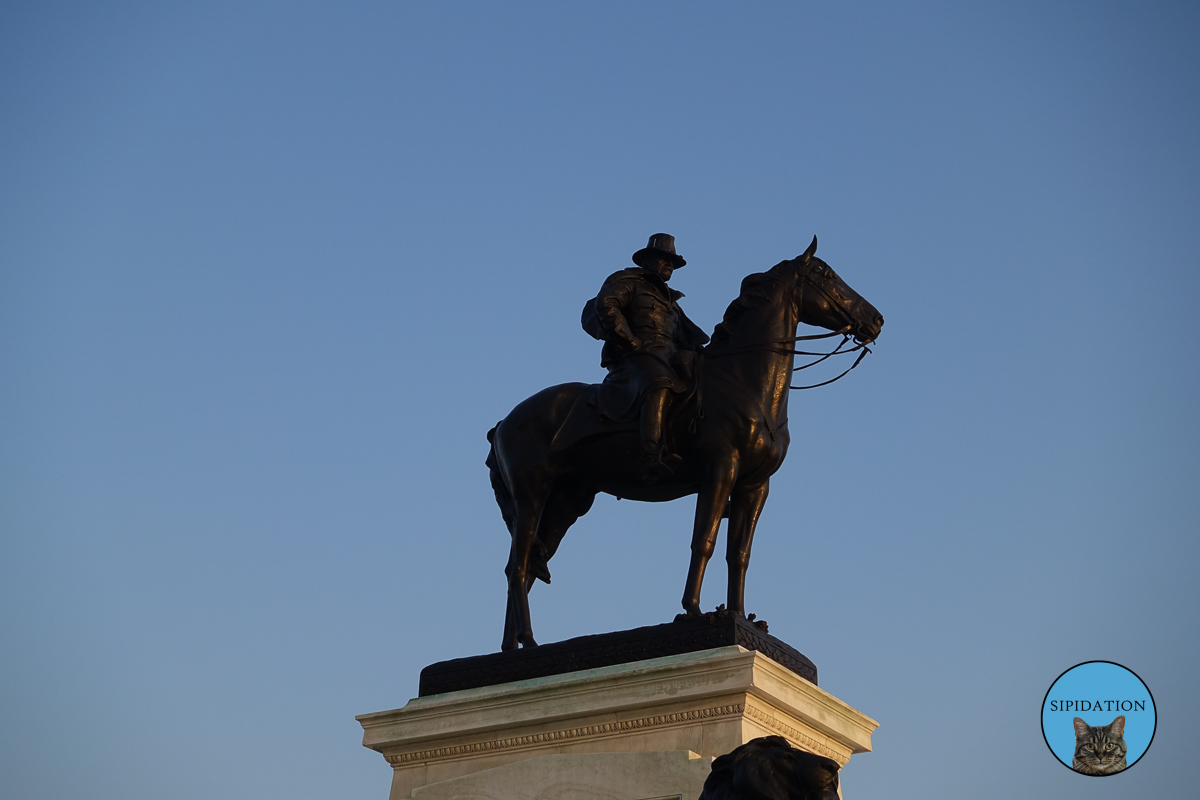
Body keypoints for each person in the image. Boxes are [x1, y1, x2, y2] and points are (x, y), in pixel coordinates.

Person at [582, 233, 710, 484]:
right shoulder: (629, 282)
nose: (670, 265)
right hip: (636, 355)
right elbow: (606, 304)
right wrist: (629, 340)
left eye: (672, 261)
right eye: (664, 259)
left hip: (669, 355)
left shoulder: (672, 302)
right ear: (649, 260)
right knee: (659, 382)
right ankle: (651, 456)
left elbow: (688, 338)